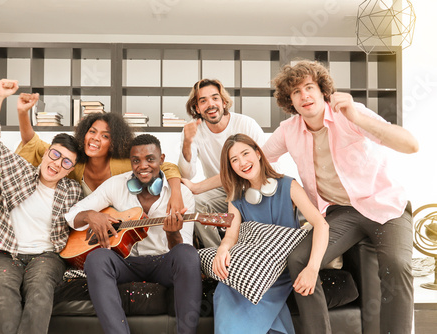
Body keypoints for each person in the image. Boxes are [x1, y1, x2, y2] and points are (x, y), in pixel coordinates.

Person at [262, 60, 419, 334]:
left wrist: (357, 118)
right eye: (296, 92)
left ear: (324, 91)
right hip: (341, 213)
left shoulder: (351, 113)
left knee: (397, 264)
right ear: (290, 101)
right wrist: (197, 186)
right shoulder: (288, 131)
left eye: (309, 87)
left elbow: (410, 144)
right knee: (299, 260)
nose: (304, 96)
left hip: (385, 205)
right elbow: (253, 162)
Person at [0, 79, 83, 334]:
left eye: (67, 163)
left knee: (40, 294)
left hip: (46, 258)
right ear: (45, 153)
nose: (57, 164)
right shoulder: (19, 171)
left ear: (70, 170)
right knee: (2, 295)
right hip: (4, 254)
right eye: (55, 155)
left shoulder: (73, 192)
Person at [65, 134, 201, 334]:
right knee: (97, 258)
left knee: (187, 255)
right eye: (136, 161)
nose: (142, 166)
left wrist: (173, 235)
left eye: (150, 159)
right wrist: (90, 215)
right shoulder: (116, 185)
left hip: (162, 262)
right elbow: (72, 215)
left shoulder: (182, 195)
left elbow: (183, 247)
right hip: (126, 262)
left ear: (162, 160)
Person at [210, 133, 328, 334]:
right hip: (250, 269)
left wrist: (312, 268)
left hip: (279, 270)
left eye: (245, 153)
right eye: (234, 160)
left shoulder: (287, 185)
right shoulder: (236, 197)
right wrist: (222, 250)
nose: (242, 163)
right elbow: (231, 235)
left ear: (258, 153)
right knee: (224, 292)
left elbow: (321, 224)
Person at [15, 95, 185, 213]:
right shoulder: (73, 162)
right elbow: (34, 143)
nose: (95, 138)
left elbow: (166, 166)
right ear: (84, 133)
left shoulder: (124, 164)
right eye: (92, 131)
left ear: (114, 142)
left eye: (105, 136)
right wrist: (23, 113)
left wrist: (176, 195)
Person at [179, 78, 266, 247]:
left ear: (224, 102)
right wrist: (187, 143)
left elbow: (265, 166)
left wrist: (198, 187)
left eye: (215, 98)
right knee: (194, 202)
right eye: (203, 101)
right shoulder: (193, 130)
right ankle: (214, 255)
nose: (210, 104)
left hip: (254, 185)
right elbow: (187, 174)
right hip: (221, 191)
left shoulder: (246, 124)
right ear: (197, 108)